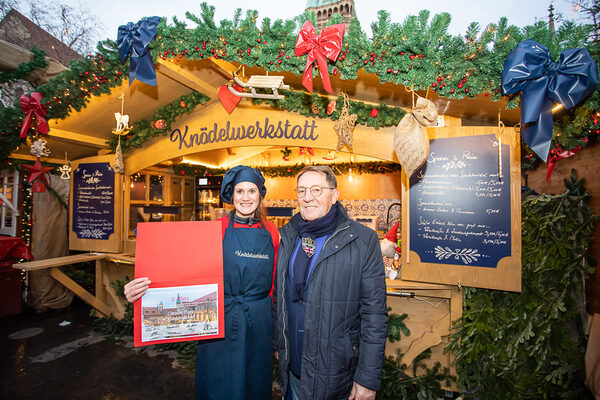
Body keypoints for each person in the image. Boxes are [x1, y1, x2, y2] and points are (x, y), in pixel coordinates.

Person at [124, 165, 279, 400]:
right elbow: (180, 271)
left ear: (260, 194)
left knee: (255, 381)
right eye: (239, 191)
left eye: (251, 191)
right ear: (231, 195)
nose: (245, 198)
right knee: (219, 382)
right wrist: (141, 290)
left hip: (259, 319)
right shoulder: (214, 229)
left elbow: (276, 283)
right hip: (219, 321)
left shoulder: (272, 232)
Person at [272, 165, 388, 400]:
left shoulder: (362, 241)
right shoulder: (287, 235)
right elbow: (279, 298)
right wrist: (279, 344)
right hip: (292, 368)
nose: (307, 198)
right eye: (302, 190)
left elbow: (374, 315)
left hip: (334, 374)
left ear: (334, 195)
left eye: (316, 190)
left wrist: (367, 378)